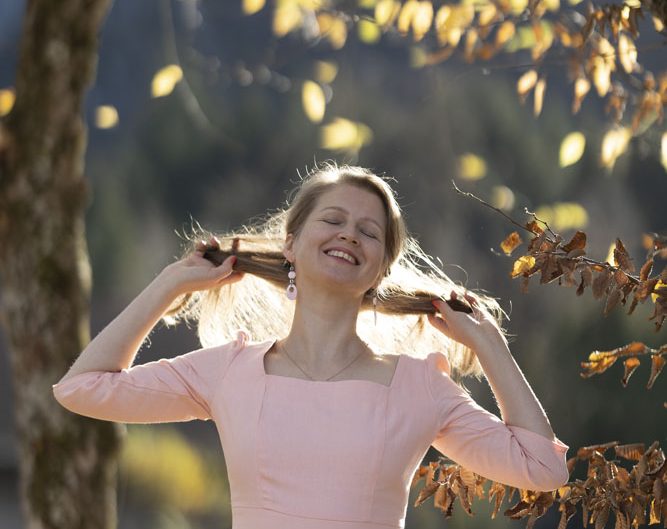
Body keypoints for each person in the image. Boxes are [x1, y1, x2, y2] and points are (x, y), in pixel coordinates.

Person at [53, 163, 569, 529]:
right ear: (291, 243)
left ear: (381, 269)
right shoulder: (229, 372)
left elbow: (543, 469)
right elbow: (82, 388)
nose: (350, 235)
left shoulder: (419, 388)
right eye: (333, 220)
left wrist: (490, 345)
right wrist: (169, 285)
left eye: (369, 232)